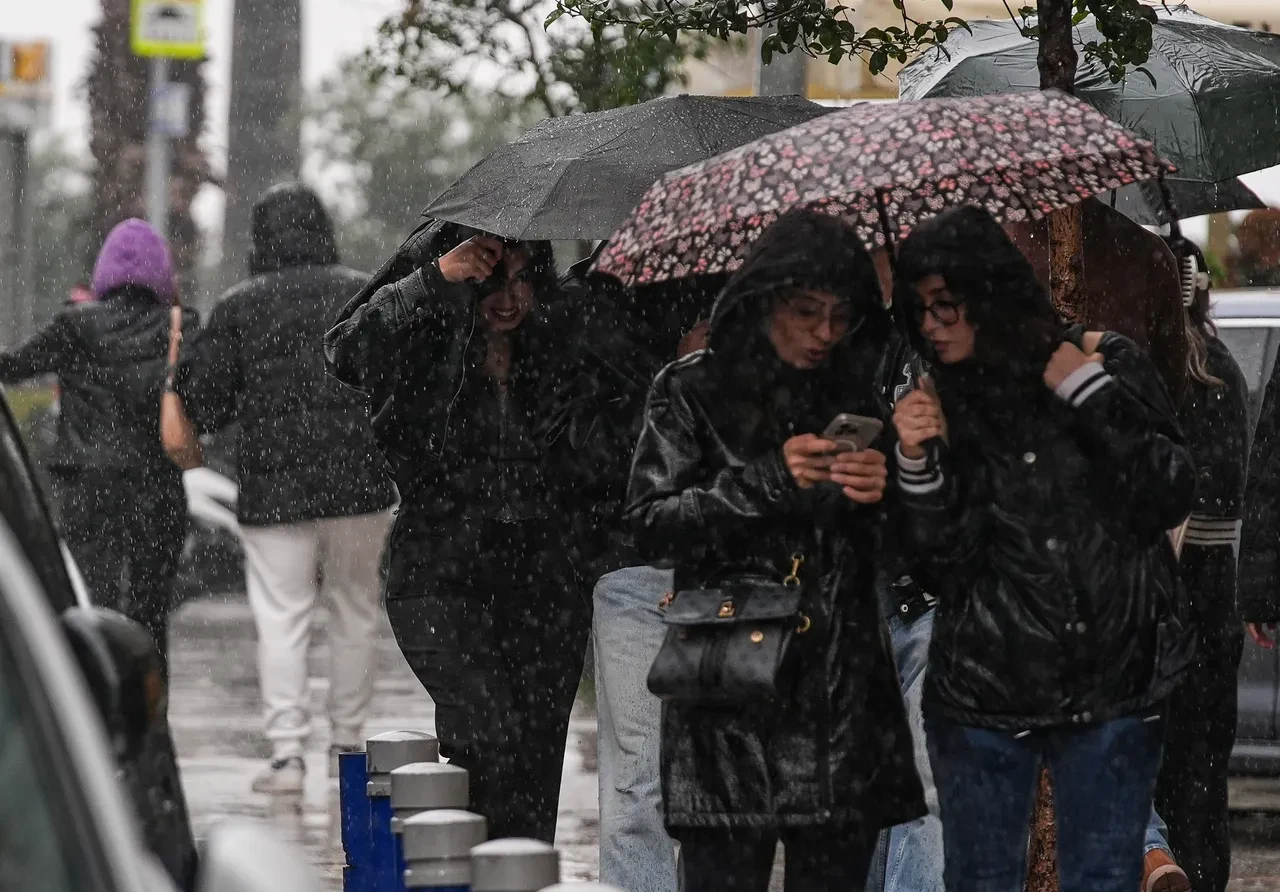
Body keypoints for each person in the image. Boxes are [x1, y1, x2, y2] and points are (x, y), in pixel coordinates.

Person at [891, 206, 1195, 892]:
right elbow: (938, 553)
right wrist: (916, 460)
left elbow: (1168, 488)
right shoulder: (942, 399)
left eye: (948, 305)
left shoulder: (1101, 358)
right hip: (982, 684)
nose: (933, 325)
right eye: (919, 310)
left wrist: (1086, 392)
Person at [625, 208, 925, 892]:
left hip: (842, 696)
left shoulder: (859, 393)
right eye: (806, 311)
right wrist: (767, 481)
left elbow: (904, 552)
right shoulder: (691, 390)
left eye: (840, 314)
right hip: (730, 692)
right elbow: (649, 520)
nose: (825, 332)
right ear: (764, 301)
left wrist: (891, 488)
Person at [325, 220, 590, 841]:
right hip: (439, 567)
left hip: (543, 573)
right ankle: (477, 869)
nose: (508, 298)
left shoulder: (559, 341)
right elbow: (346, 351)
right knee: (485, 732)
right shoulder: (426, 333)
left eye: (522, 277)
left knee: (536, 750)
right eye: (491, 277)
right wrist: (435, 279)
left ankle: (519, 874)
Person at [177, 183, 395, 793]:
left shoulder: (241, 305)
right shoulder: (361, 292)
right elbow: (396, 382)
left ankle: (287, 757)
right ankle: (349, 748)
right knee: (355, 611)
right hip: (359, 483)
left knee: (282, 618)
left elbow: (208, 403)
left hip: (274, 490)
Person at [550, 254, 719, 892]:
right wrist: (671, 387)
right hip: (632, 569)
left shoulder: (761, 294)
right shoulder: (591, 309)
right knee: (637, 783)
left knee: (724, 786)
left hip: (736, 577)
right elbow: (579, 455)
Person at [0, 218, 193, 670]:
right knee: (151, 611)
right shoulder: (180, 326)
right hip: (156, 486)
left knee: (94, 605)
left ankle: (100, 709)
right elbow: (202, 397)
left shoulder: (74, 326)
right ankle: (151, 713)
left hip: (89, 485)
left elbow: (13, 366)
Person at [1147, 241, 1249, 892]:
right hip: (1211, 599)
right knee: (1202, 775)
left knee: (1167, 770)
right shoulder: (1221, 370)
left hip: (1175, 596)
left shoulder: (1173, 370)